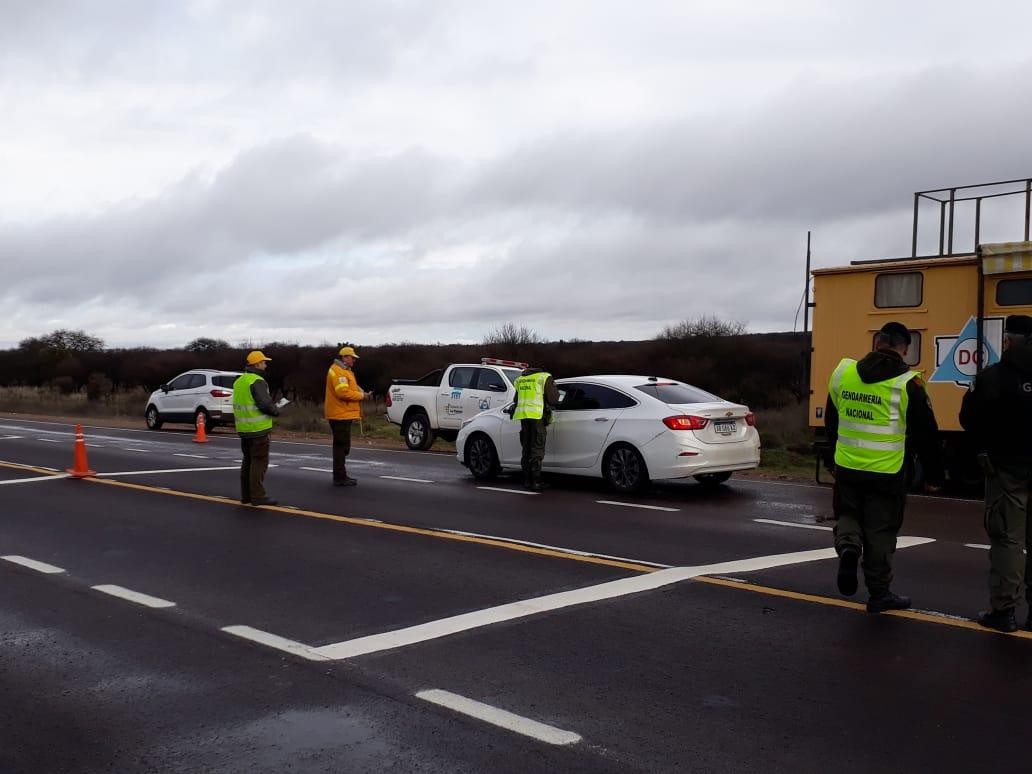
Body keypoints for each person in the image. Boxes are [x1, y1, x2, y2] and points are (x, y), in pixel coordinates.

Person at [823, 321, 944, 612]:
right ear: (904, 348)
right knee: (880, 531)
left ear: (877, 342)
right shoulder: (908, 382)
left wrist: (831, 458)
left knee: (848, 514)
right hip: (887, 471)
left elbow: (831, 421)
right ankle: (879, 594)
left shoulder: (844, 373)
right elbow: (928, 434)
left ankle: (849, 547)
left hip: (848, 465)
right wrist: (934, 474)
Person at [960, 314, 1032, 633]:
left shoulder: (992, 377)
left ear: (1008, 341)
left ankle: (1004, 610)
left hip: (1008, 471)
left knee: (1008, 540)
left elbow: (969, 419)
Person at [233, 350, 281, 506]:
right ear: (257, 364)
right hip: (258, 429)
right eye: (264, 362)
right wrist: (276, 410)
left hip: (244, 429)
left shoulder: (239, 381)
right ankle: (258, 496)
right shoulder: (257, 381)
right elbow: (265, 404)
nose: (266, 364)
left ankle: (246, 495)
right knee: (259, 462)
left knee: (247, 461)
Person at [324, 345, 370, 486]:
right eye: (352, 358)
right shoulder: (338, 371)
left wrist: (362, 392)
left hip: (343, 414)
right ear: (344, 357)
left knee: (343, 446)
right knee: (341, 446)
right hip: (340, 415)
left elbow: (350, 388)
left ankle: (340, 475)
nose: (354, 360)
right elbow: (343, 393)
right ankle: (339, 476)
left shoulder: (344, 371)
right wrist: (362, 396)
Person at [511, 364, 559, 491]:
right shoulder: (544, 377)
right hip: (537, 417)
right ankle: (536, 481)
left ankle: (527, 480)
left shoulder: (520, 379)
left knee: (526, 448)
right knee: (537, 448)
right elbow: (554, 399)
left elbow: (516, 400)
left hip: (523, 417)